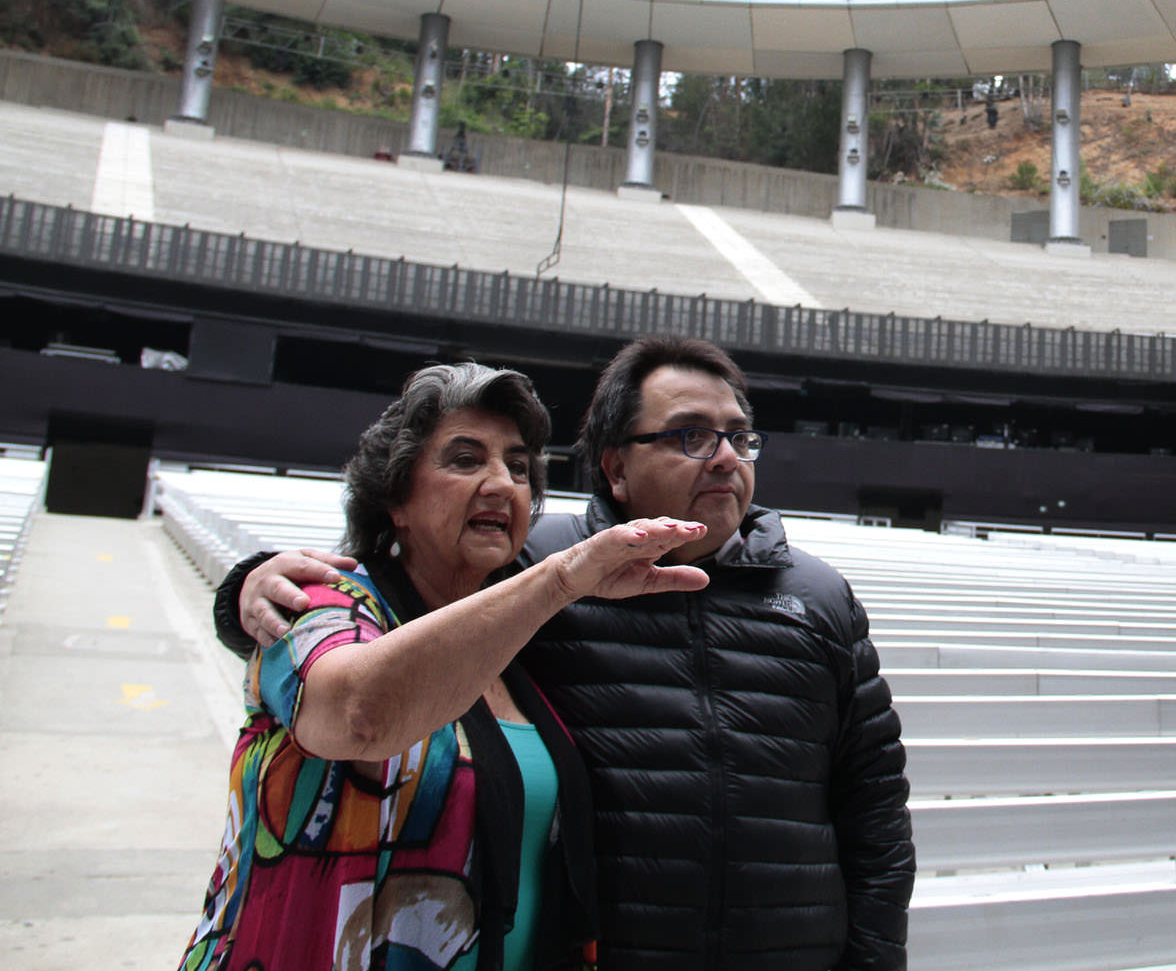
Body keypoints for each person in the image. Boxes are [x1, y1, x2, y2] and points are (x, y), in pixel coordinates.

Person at [218, 336, 915, 971]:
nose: (727, 456)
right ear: (615, 467)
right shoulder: (543, 570)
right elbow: (396, 602)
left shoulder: (820, 597)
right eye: (692, 436)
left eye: (738, 436)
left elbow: (874, 809)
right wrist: (247, 585)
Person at [183, 363, 709, 971]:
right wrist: (560, 579)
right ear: (395, 499)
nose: (502, 484)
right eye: (465, 460)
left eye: (518, 467)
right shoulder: (319, 602)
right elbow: (357, 714)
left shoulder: (526, 632)